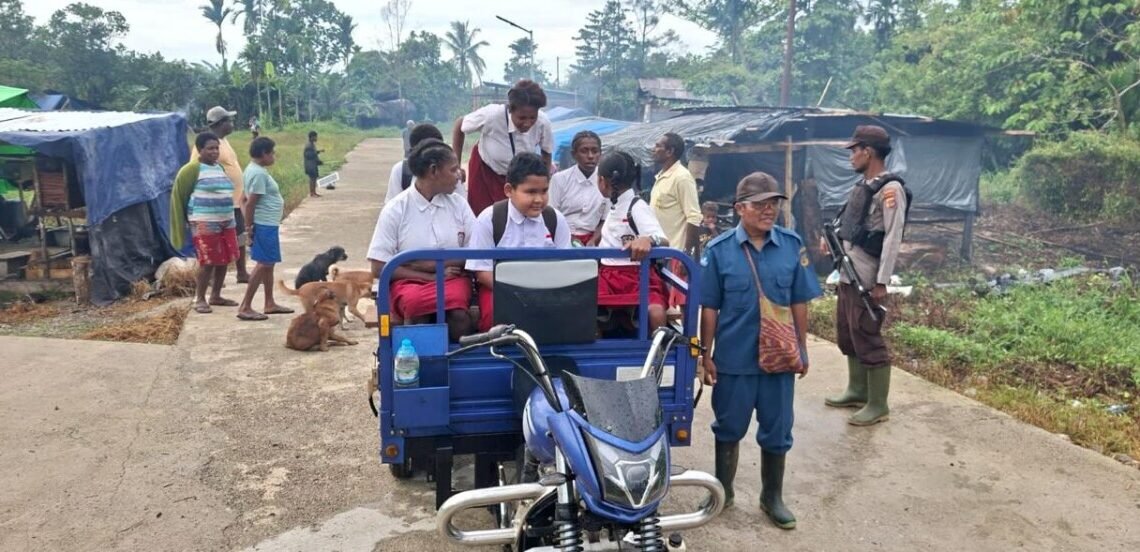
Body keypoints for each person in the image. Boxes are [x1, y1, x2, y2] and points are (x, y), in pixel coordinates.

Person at [699, 172, 821, 528]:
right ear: (740, 209)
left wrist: (801, 347)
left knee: (778, 429)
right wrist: (705, 354)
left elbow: (800, 300)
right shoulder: (719, 250)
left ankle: (772, 497)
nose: (769, 211)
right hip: (734, 358)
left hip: (779, 361)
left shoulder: (790, 245)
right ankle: (724, 489)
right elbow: (710, 307)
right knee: (728, 427)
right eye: (760, 205)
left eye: (774, 204)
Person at [821, 125, 907, 426]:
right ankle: (857, 390)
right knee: (848, 332)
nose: (850, 157)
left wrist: (883, 280)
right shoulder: (865, 185)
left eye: (854, 150)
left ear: (867, 151)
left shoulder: (890, 190)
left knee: (867, 334)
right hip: (847, 271)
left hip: (867, 275)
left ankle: (878, 404)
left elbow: (893, 237)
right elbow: (852, 223)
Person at [367, 138, 476, 341]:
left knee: (458, 315)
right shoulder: (395, 209)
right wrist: (431, 274)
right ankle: (419, 366)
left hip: (452, 278)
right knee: (418, 310)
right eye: (453, 170)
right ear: (434, 171)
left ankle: (456, 366)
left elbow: (476, 251)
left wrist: (424, 264)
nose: (459, 176)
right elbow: (378, 266)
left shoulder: (459, 205)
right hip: (408, 282)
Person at [466, 152, 571, 331]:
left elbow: (565, 265)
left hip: (546, 288)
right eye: (530, 192)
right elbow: (482, 273)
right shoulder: (489, 219)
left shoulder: (555, 219)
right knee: (494, 316)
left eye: (544, 191)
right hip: (499, 289)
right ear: (509, 190)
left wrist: (540, 291)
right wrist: (519, 291)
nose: (539, 199)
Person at [452, 79, 554, 215]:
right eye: (522, 118)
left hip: (518, 178)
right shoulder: (492, 115)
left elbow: (546, 152)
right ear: (511, 110)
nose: (527, 123)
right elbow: (460, 125)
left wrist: (543, 182)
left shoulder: (543, 122)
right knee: (481, 216)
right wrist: (456, 165)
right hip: (485, 172)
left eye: (532, 118)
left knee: (515, 217)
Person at [595, 150, 670, 331]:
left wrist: (647, 240)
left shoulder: (636, 207)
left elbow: (663, 239)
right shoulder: (613, 205)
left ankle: (659, 348)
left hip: (637, 275)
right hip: (608, 276)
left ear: (603, 181)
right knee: (586, 307)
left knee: (655, 311)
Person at [169, 132, 242, 314]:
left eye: (217, 148)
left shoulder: (219, 168)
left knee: (224, 259)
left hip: (226, 221)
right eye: (210, 148)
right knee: (207, 261)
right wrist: (185, 222)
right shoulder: (191, 170)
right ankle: (200, 298)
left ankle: (216, 295)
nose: (214, 152)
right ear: (200, 150)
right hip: (204, 222)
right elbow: (180, 197)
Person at [189, 106, 250, 283]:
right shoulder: (207, 144)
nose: (232, 124)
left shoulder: (224, 141)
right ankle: (214, 280)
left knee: (239, 238)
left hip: (235, 201)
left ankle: (241, 272)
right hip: (218, 205)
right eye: (229, 121)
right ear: (221, 123)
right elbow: (195, 171)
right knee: (215, 244)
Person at [236, 137, 294, 321]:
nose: (274, 156)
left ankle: (269, 302)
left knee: (269, 264)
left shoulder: (253, 170)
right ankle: (245, 306)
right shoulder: (259, 174)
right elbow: (250, 203)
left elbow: (242, 200)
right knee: (263, 264)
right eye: (272, 152)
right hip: (264, 224)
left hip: (267, 224)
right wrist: (249, 227)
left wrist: (249, 223)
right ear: (264, 154)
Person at [650, 132, 703, 313]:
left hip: (676, 254)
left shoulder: (682, 177)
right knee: (664, 305)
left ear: (670, 151)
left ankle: (693, 342)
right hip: (660, 252)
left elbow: (694, 217)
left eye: (658, 146)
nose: (654, 149)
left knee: (684, 306)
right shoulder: (662, 176)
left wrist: (687, 255)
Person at [385, 123, 467, 205]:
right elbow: (393, 203)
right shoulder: (401, 170)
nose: (457, 175)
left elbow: (462, 205)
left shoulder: (452, 175)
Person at [548, 131, 606, 247]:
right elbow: (550, 215)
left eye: (595, 151)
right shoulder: (559, 179)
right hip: (561, 236)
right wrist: (570, 238)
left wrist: (594, 240)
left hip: (594, 240)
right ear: (574, 154)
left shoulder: (605, 180)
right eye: (584, 151)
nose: (590, 156)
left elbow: (606, 219)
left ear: (600, 154)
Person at [304, 131, 324, 198]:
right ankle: (312, 193)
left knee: (314, 178)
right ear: (311, 137)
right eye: (315, 136)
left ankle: (314, 192)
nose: (316, 138)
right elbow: (309, 155)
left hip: (313, 165)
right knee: (312, 179)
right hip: (310, 165)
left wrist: (318, 152)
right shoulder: (309, 145)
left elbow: (313, 153)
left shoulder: (312, 144)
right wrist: (318, 160)